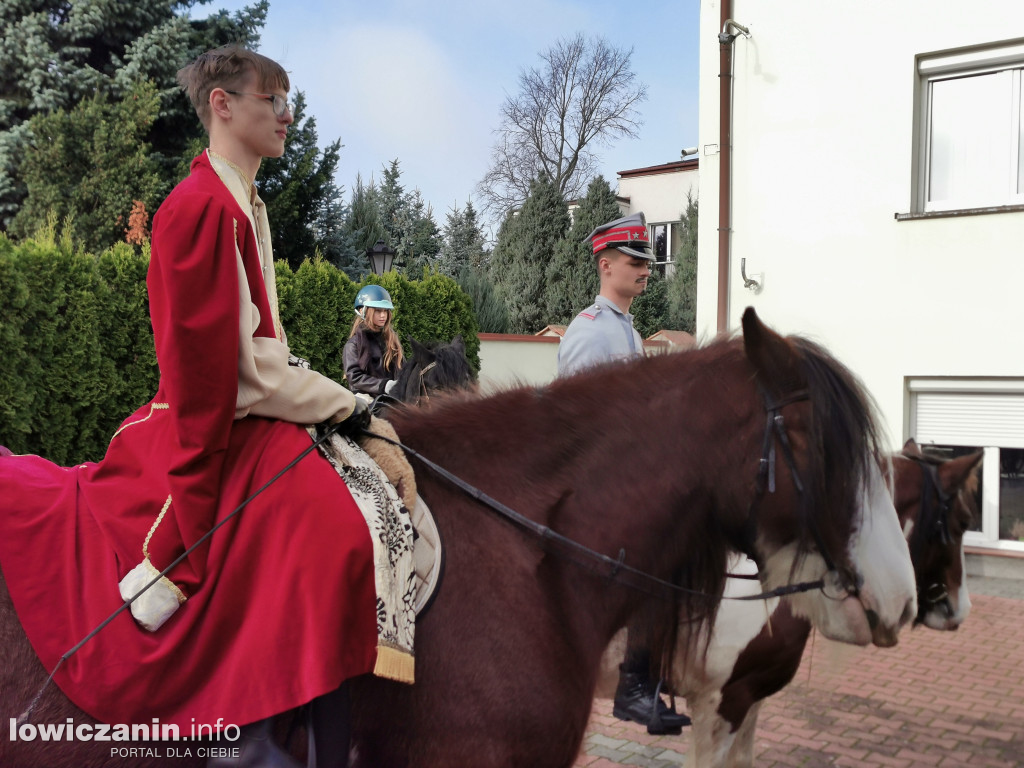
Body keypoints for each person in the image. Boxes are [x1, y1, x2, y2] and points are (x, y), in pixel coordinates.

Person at [0, 46, 384, 768]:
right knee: (331, 532)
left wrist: (336, 406)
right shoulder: (200, 210)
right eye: (272, 99)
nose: (287, 115)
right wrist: (344, 404)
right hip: (207, 428)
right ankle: (256, 741)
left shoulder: (242, 201)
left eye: (288, 100)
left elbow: (264, 351)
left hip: (243, 410)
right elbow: (231, 378)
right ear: (223, 105)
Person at [557, 212, 691, 735]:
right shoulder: (592, 334)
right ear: (605, 263)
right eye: (635, 261)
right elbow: (579, 423)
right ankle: (635, 688)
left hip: (624, 477)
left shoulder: (625, 331)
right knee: (657, 559)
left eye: (647, 262)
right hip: (599, 487)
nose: (645, 270)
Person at [343, 285, 404, 398]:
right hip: (365, 401)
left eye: (385, 311)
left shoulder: (391, 340)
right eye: (377, 311)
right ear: (363, 311)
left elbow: (402, 369)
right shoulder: (353, 344)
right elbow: (354, 377)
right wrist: (383, 385)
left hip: (391, 398)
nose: (383, 315)